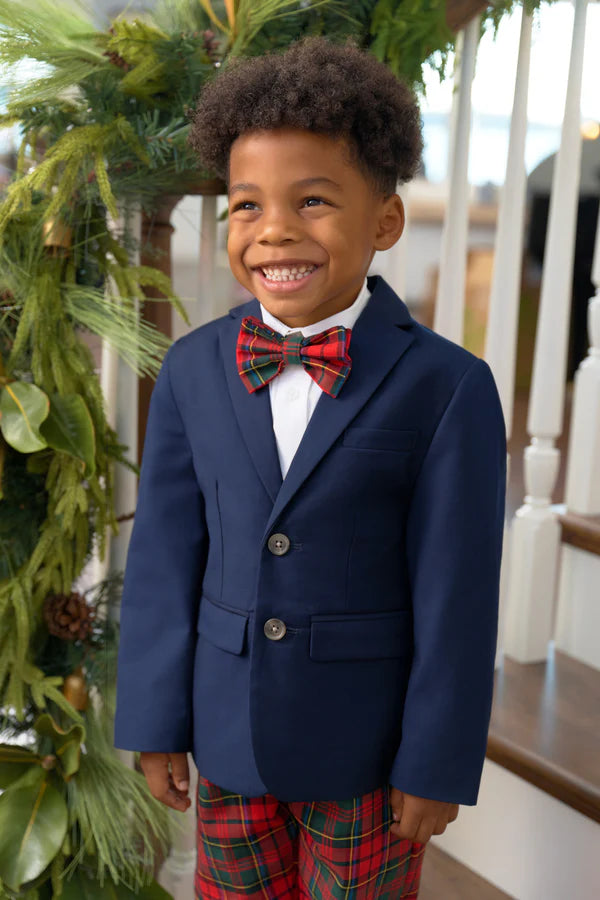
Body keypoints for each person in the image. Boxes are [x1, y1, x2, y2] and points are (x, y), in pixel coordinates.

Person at [114, 35, 507, 899]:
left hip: (367, 752)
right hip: (226, 733)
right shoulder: (191, 369)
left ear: (385, 221)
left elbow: (457, 595)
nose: (275, 231)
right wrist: (154, 718)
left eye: (314, 201)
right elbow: (164, 560)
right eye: (246, 206)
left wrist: (436, 758)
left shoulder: (448, 387)